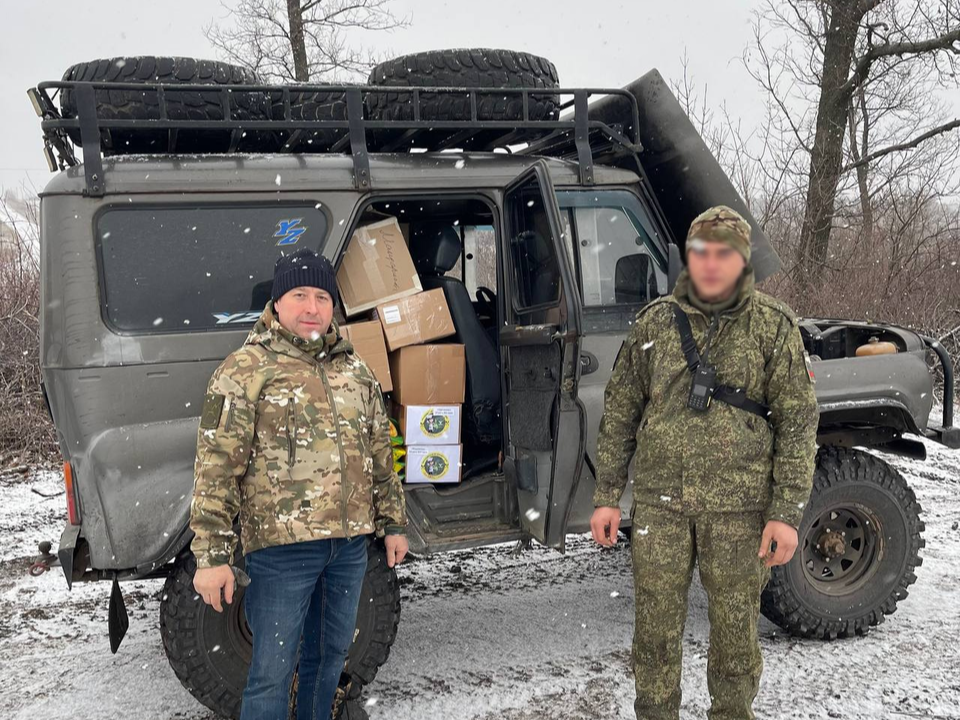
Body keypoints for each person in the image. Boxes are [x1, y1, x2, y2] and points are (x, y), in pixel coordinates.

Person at [590, 206, 819, 720]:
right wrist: (607, 495)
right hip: (661, 507)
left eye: (724, 254)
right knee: (654, 631)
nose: (711, 264)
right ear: (687, 259)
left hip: (741, 510)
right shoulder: (654, 323)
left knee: (736, 635)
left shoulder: (773, 327)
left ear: (741, 261)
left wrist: (786, 512)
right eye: (701, 253)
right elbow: (621, 410)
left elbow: (798, 423)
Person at [188, 248, 409, 720]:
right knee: (271, 670)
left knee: (328, 660)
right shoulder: (245, 370)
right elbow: (216, 468)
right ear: (278, 302)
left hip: (348, 548)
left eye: (322, 297)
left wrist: (394, 522)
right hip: (283, 552)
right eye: (300, 294)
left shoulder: (355, 369)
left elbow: (379, 454)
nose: (312, 307)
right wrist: (211, 558)